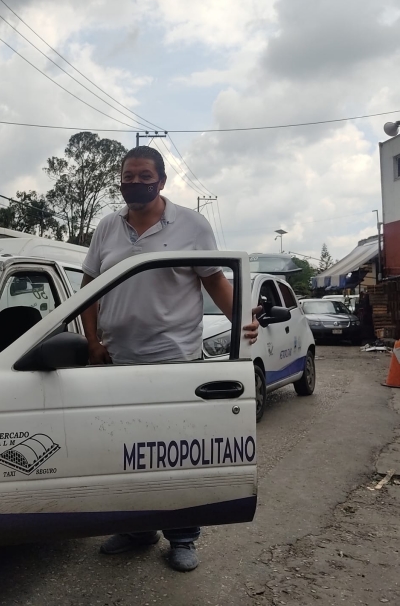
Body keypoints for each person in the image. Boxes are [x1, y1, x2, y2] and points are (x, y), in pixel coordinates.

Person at [80, 146, 260, 573]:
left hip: (174, 363)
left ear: (161, 181)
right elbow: (89, 286)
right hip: (117, 362)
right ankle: (137, 529)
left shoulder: (191, 225)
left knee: (175, 454)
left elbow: (215, 281)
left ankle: (183, 537)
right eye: (129, 175)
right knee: (126, 452)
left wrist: (243, 322)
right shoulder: (107, 227)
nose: (135, 182)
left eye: (145, 176)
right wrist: (92, 341)